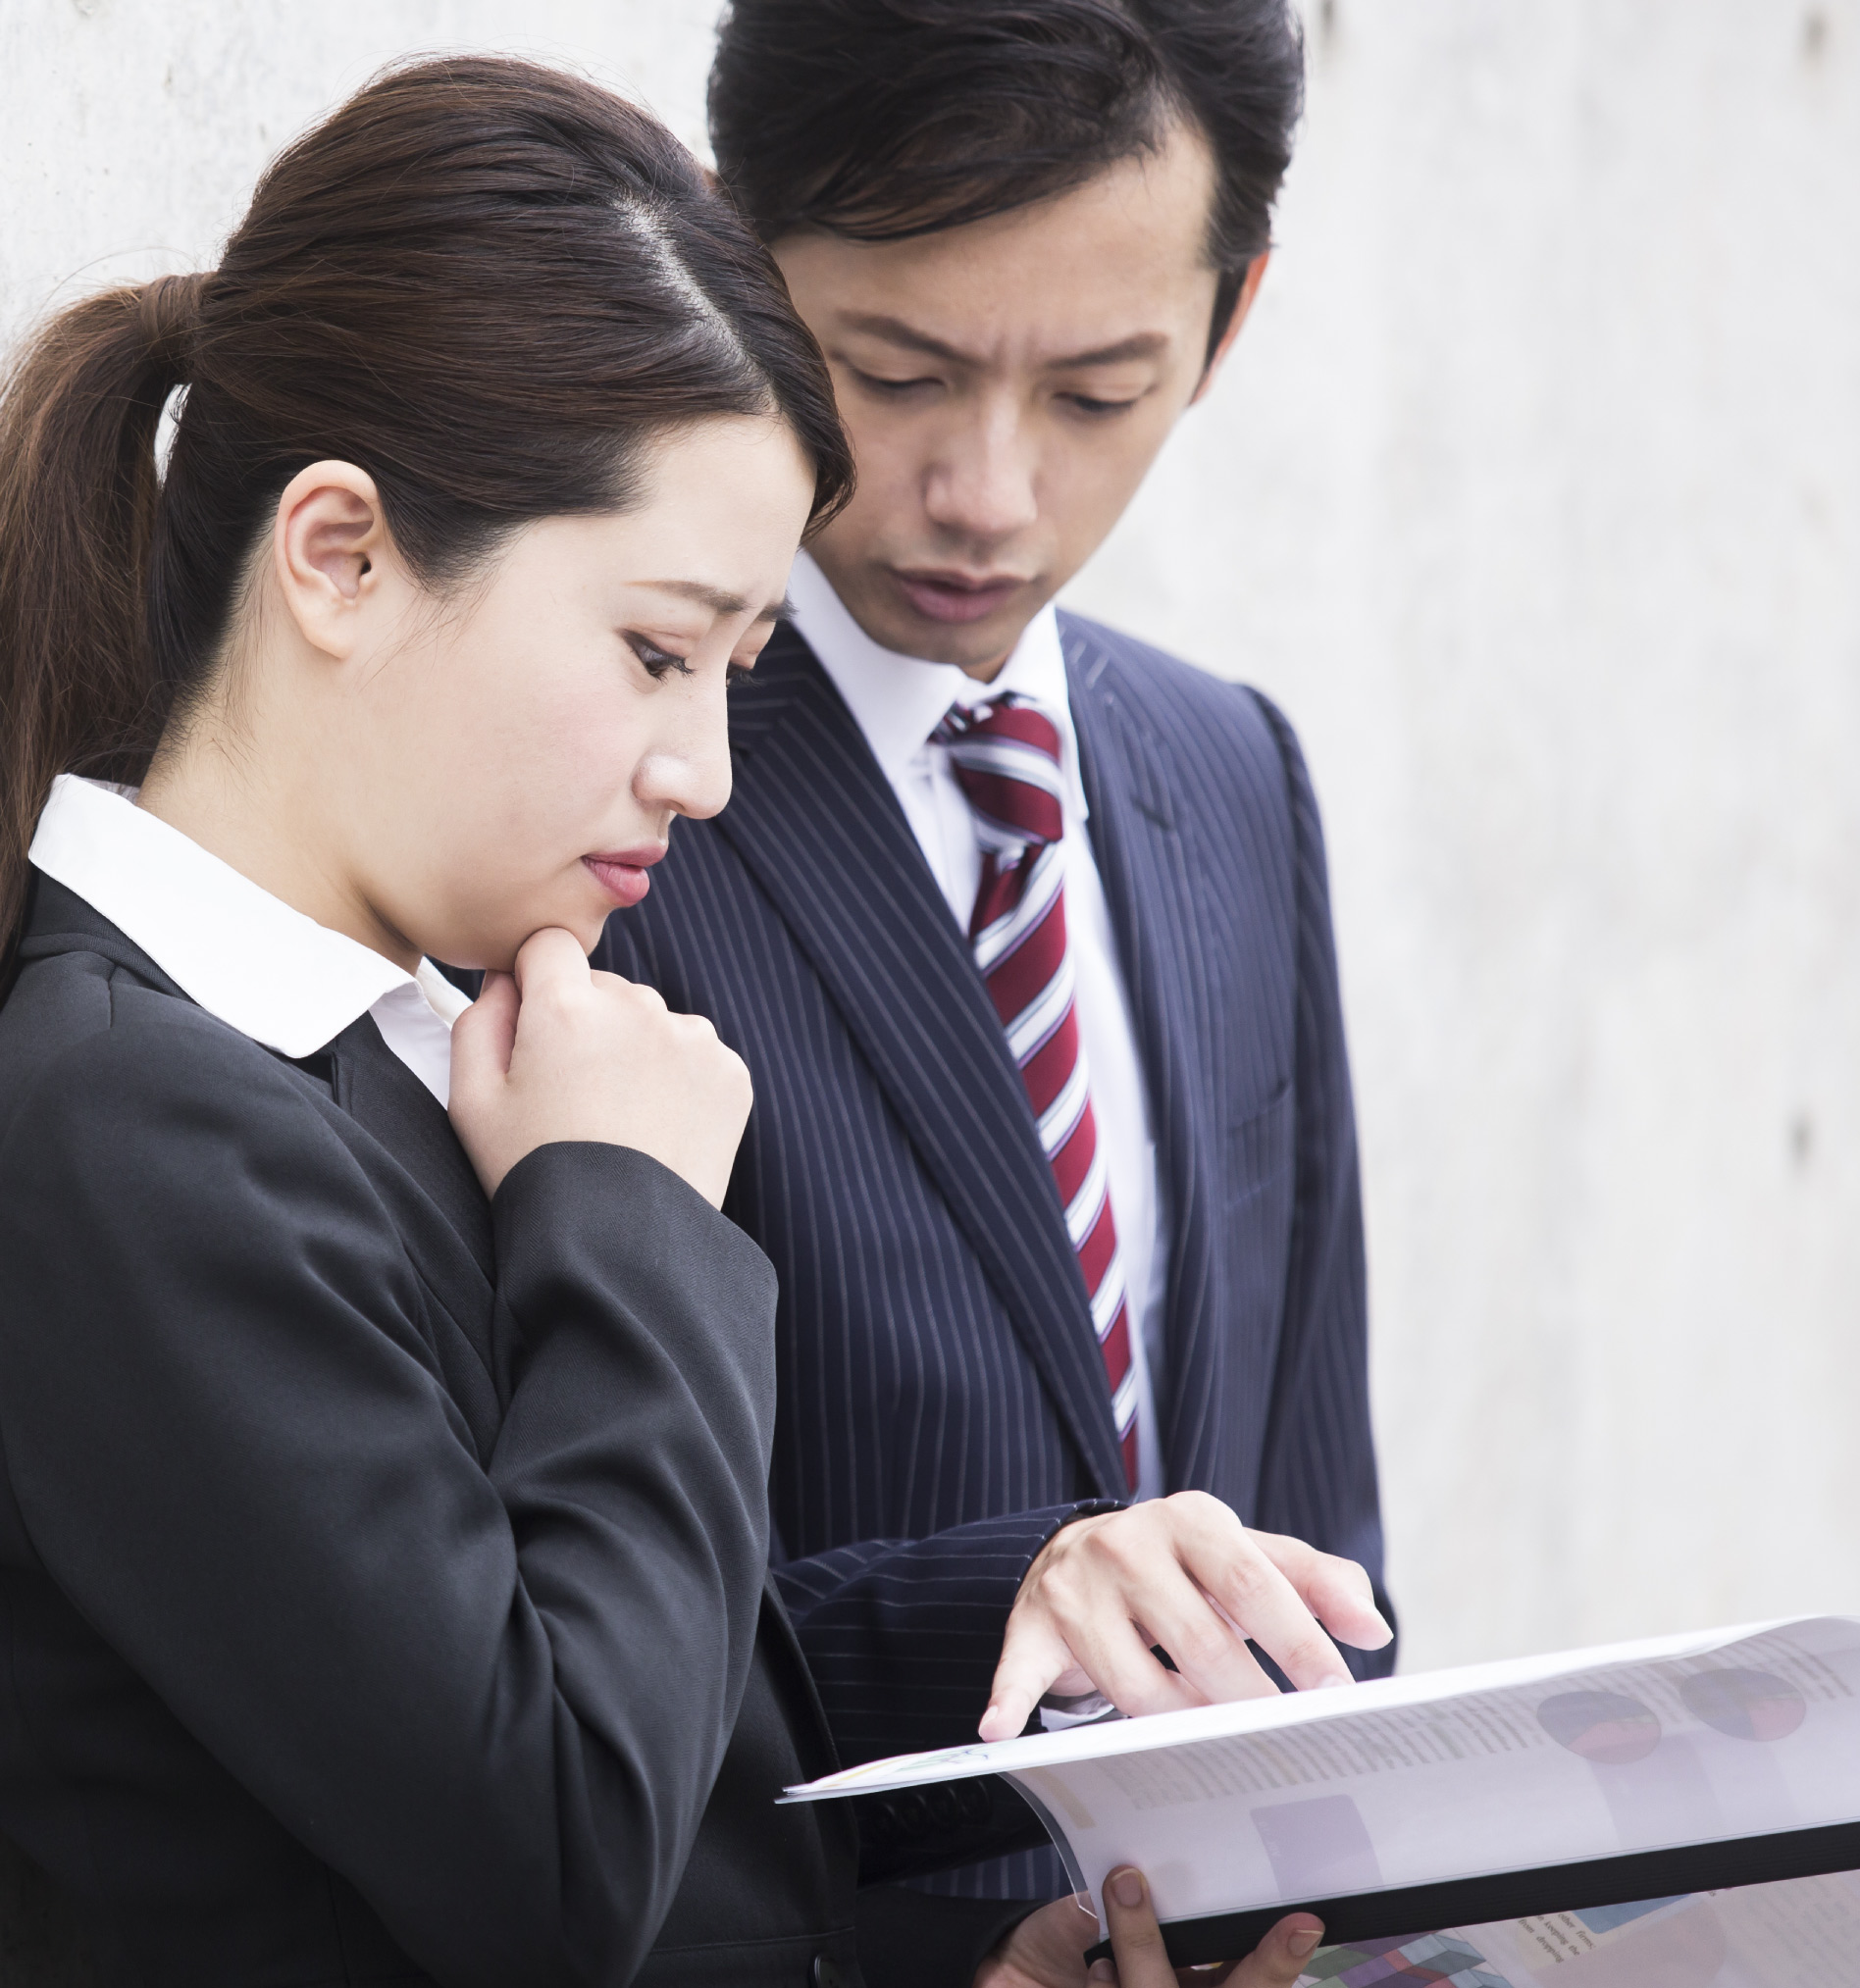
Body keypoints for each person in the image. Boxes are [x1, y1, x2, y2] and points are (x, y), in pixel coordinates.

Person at [591, 0, 1397, 1914]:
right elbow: (523, 1668)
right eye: (894, 370)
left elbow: (1313, 1538)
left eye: (1101, 392)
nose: (988, 493)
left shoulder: (1233, 775)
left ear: (1231, 317)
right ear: (733, 260)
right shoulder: (597, 797)